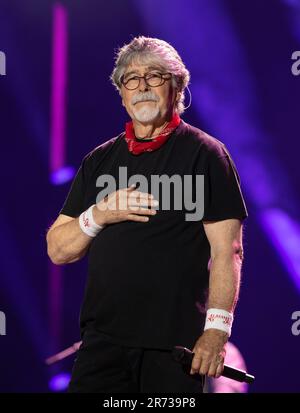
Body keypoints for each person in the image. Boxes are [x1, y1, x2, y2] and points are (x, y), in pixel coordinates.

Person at [46, 36, 248, 393]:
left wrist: (216, 331)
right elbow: (59, 249)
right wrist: (100, 213)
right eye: (131, 79)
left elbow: (227, 251)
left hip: (173, 349)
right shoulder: (99, 160)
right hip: (102, 347)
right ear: (121, 93)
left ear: (177, 87)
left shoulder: (207, 155)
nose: (142, 86)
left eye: (154, 76)